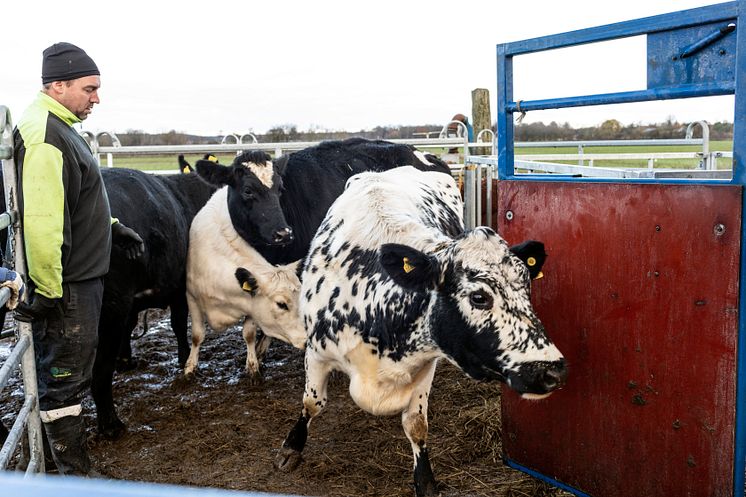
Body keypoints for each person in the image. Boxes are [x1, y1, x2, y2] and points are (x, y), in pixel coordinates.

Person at [12, 42, 144, 476]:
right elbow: (45, 221)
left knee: (71, 375)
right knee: (64, 381)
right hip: (67, 287)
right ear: (59, 85)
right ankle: (71, 474)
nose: (96, 98)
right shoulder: (46, 135)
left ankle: (65, 462)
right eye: (89, 88)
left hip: (80, 279)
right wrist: (49, 291)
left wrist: (110, 226)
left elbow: (74, 200)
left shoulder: (63, 127)